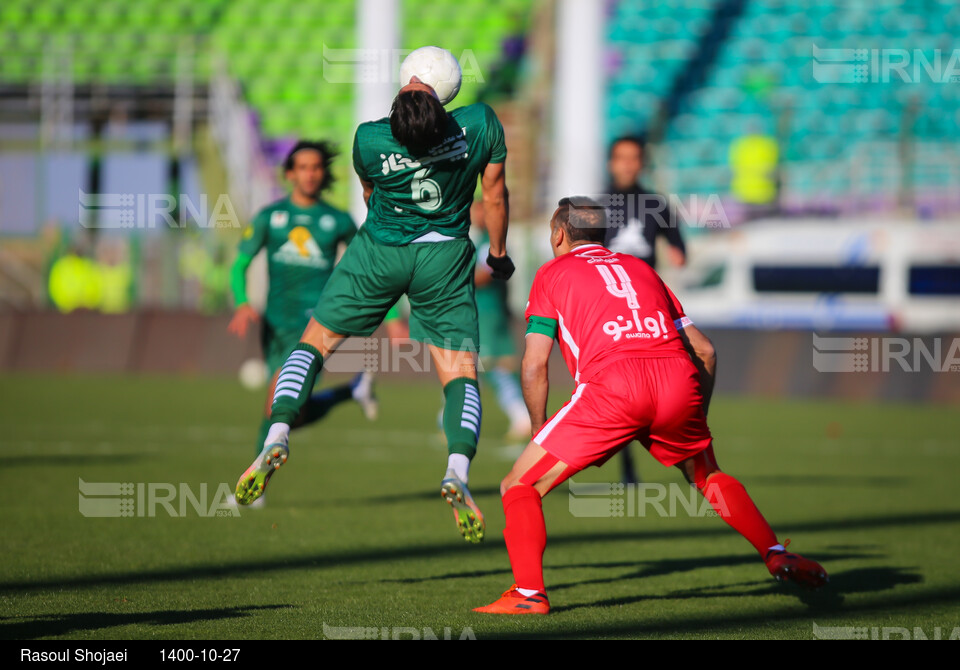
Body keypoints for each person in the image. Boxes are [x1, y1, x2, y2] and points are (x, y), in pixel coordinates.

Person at [474, 197, 827, 614]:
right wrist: (696, 415)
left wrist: (540, 431)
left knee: (520, 485)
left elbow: (534, 365)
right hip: (677, 383)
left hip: (613, 389)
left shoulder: (552, 272)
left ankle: (529, 594)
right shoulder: (642, 269)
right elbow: (706, 350)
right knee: (708, 475)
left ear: (558, 234)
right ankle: (774, 551)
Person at [235, 76, 514, 544]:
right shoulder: (480, 122)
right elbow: (496, 194)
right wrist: (499, 254)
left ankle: (276, 434)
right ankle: (457, 470)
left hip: (380, 252)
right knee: (459, 370)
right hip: (444, 256)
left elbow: (369, 196)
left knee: (314, 345)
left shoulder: (369, 136)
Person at [228, 140, 378, 486]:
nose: (310, 174)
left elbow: (369, 265)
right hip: (275, 323)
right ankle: (350, 391)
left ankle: (256, 486)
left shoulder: (338, 220)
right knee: (295, 412)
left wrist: (391, 315)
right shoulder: (271, 217)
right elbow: (240, 264)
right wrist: (241, 301)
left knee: (275, 405)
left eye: (316, 167)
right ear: (290, 173)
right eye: (303, 167)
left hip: (316, 323)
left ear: (324, 174)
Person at [605, 135, 687, 485]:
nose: (627, 164)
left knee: (666, 377)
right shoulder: (595, 204)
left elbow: (679, 247)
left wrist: (677, 252)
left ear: (641, 163)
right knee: (616, 384)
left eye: (633, 158)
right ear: (612, 162)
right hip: (608, 305)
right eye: (621, 158)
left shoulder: (655, 203)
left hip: (647, 304)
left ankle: (687, 452)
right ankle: (626, 467)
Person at [471, 200, 531, 440]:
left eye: (479, 210)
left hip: (488, 314)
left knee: (488, 367)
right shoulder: (478, 241)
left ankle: (521, 416)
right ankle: (450, 418)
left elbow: (485, 276)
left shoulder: (491, 243)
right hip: (478, 313)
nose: (474, 214)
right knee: (475, 367)